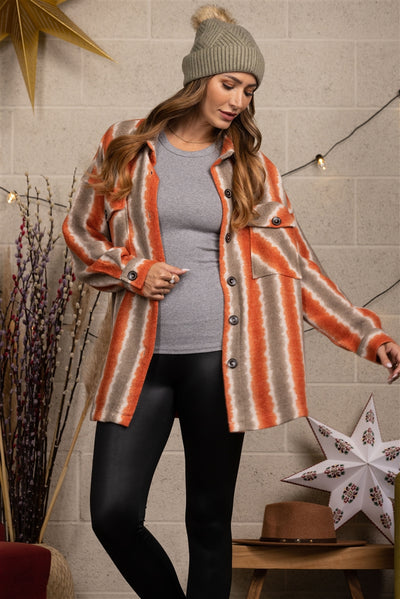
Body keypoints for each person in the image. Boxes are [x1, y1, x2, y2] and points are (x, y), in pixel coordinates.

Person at [62, 5, 400, 598]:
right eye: (230, 84)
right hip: (138, 360)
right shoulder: (125, 144)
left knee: (209, 522)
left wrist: (369, 335)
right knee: (113, 513)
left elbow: (299, 267)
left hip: (221, 366)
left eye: (249, 90)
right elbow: (81, 234)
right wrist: (134, 269)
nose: (239, 100)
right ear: (198, 78)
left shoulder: (253, 169)